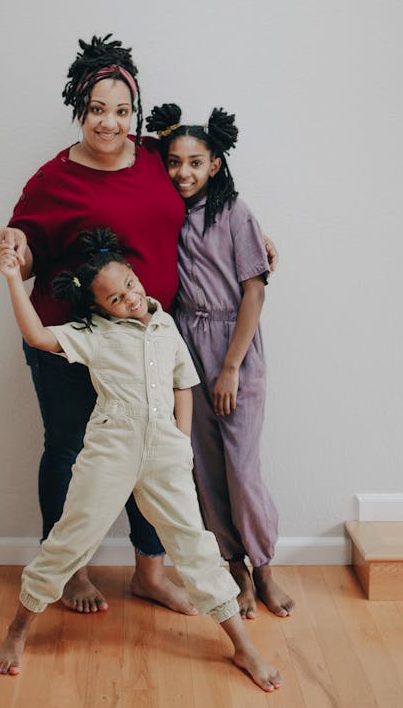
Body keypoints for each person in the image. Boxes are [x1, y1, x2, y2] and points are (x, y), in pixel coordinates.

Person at [0, 34, 277, 615]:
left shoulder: (153, 159)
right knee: (67, 451)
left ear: (134, 113)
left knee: (155, 449)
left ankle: (150, 573)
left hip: (150, 342)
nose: (109, 123)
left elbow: (205, 194)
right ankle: (72, 573)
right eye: (97, 110)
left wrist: (254, 243)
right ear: (79, 109)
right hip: (74, 343)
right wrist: (15, 244)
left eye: (121, 111)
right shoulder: (53, 178)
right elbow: (30, 244)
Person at [0, 228, 282, 693]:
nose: (128, 297)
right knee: (71, 538)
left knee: (194, 544)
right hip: (112, 448)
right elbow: (38, 336)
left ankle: (242, 645)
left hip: (165, 450)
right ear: (98, 309)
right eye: (113, 298)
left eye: (128, 283)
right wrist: (11, 280)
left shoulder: (166, 326)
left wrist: (181, 444)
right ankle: (18, 630)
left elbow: (183, 382)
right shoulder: (93, 335)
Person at [146, 103, 294, 621]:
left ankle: (265, 567)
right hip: (186, 342)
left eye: (195, 161)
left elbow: (254, 292)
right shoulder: (165, 210)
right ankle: (234, 568)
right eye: (173, 161)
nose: (182, 171)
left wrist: (230, 367)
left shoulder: (235, 213)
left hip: (233, 345)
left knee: (241, 468)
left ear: (215, 164)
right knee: (204, 468)